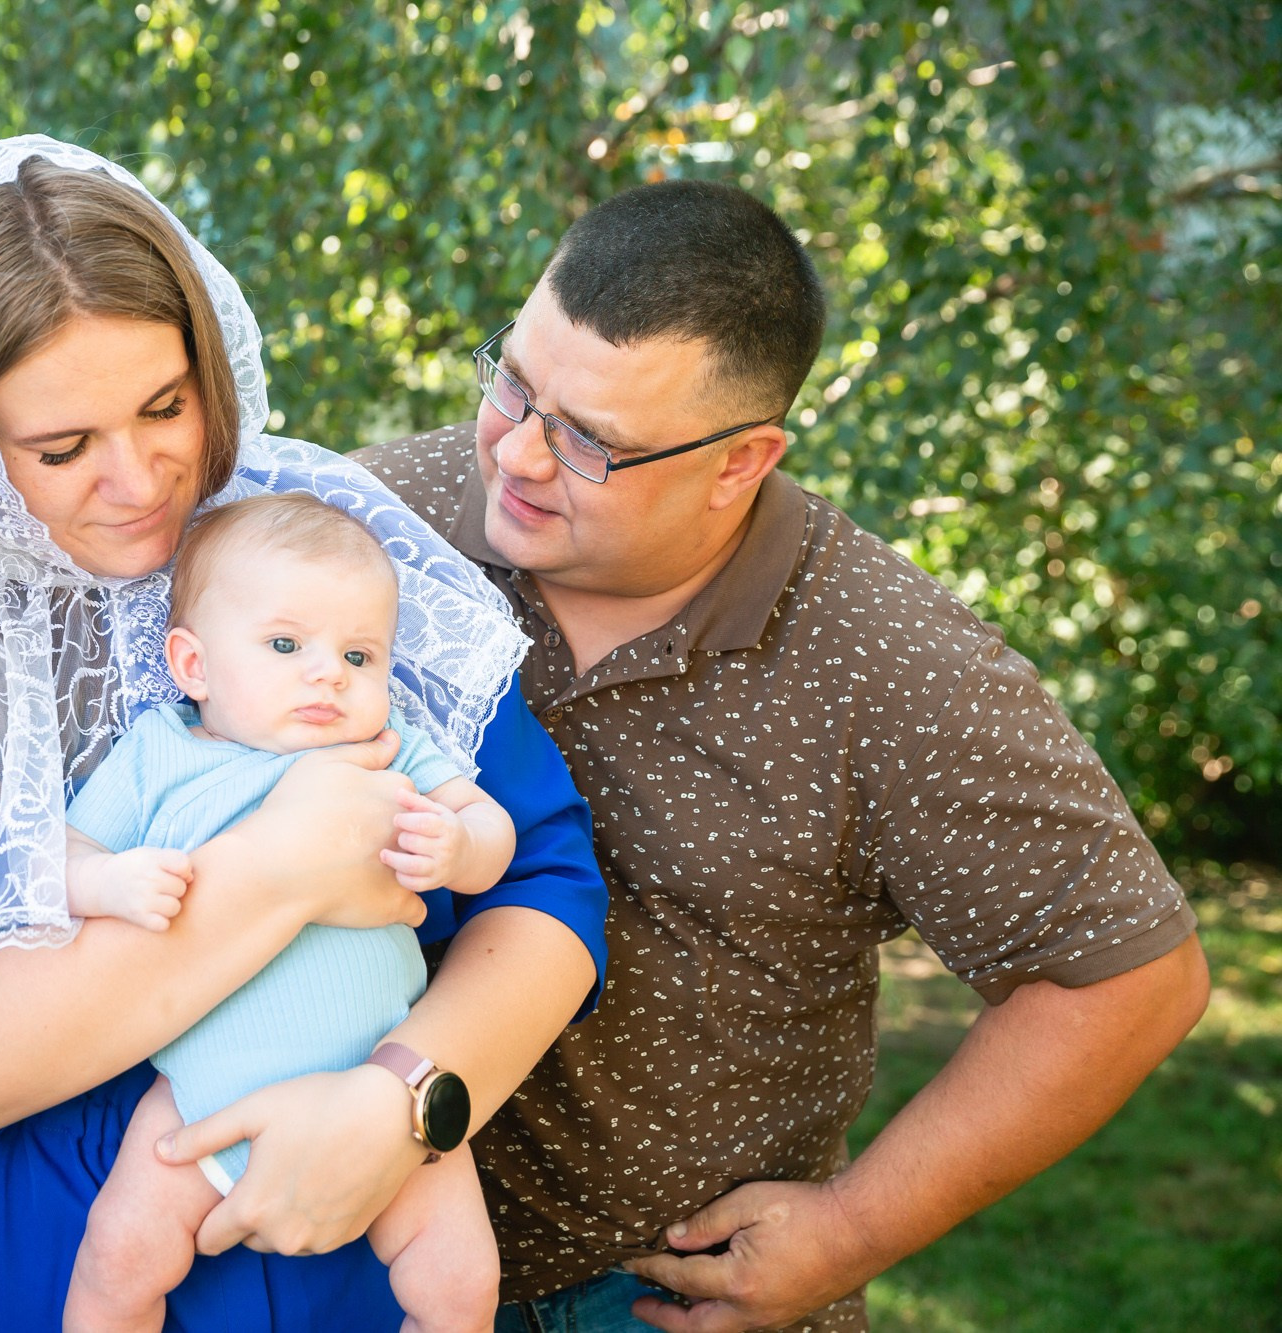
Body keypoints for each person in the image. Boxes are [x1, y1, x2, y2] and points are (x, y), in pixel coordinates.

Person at [0, 134, 608, 1331]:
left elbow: (543, 878)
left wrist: (403, 1101)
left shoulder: (307, 532)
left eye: (165, 406)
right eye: (59, 448)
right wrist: (282, 871)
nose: (137, 480)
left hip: (331, 1240)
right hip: (1, 1269)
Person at [352, 179, 1210, 1332]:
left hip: (659, 1296)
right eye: (513, 380)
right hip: (350, 1265)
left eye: (591, 441)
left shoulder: (890, 665)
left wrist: (852, 1228)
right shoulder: (366, 527)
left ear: (739, 460)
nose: (515, 453)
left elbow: (1128, 974)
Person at [64, 493, 511, 1333]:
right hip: (202, 1091)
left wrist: (457, 845)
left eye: (359, 653)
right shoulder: (162, 751)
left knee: (461, 1283)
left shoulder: (391, 746)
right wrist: (109, 884)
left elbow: (493, 830)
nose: (328, 673)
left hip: (378, 1088)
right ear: (193, 664)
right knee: (119, 1256)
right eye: (284, 645)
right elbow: (62, 855)